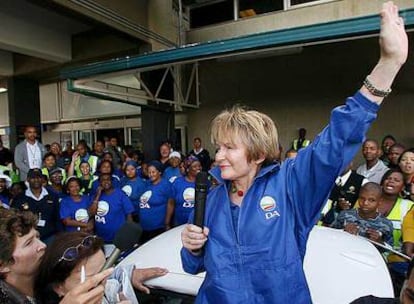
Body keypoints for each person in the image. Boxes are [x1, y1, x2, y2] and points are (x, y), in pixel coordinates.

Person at [180, 3, 408, 303]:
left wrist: (388, 64)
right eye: (219, 146)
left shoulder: (290, 187)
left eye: (229, 148)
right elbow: (192, 265)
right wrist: (191, 247)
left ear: (258, 154)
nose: (218, 155)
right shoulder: (210, 194)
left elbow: (335, 141)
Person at [35, 231, 168, 304]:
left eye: (105, 272)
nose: (103, 284)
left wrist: (130, 274)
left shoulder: (110, 289)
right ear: (59, 287)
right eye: (93, 279)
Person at [331, 182, 394, 247]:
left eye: (371, 200)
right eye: (362, 198)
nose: (365, 203)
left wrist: (379, 242)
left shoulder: (386, 224)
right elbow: (330, 235)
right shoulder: (345, 215)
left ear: (380, 201)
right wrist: (343, 231)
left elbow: (390, 250)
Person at [12, 168, 61, 243]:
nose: (36, 180)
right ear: (28, 179)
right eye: (33, 178)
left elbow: (57, 217)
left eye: (38, 177)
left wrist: (59, 235)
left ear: (42, 179)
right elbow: (15, 218)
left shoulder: (52, 195)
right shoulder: (20, 198)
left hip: (50, 237)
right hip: (28, 238)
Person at [89, 173, 134, 243]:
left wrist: (128, 233)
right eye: (103, 180)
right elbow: (91, 213)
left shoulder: (120, 194)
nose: (106, 182)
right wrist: (98, 195)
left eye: (108, 179)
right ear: (99, 183)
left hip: (119, 237)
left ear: (111, 181)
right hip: (101, 237)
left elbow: (129, 215)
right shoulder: (95, 196)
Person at [139, 161, 173, 242]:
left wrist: (167, 223)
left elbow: (171, 204)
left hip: (158, 227)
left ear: (160, 172)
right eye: (149, 172)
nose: (151, 174)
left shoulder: (166, 185)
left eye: (153, 172)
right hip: (144, 227)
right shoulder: (146, 184)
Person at [166, 156, 202, 228]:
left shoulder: (205, 182)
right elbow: (171, 203)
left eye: (199, 166)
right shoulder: (177, 182)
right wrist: (167, 223)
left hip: (198, 224)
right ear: (188, 169)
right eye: (195, 166)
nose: (198, 168)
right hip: (179, 223)